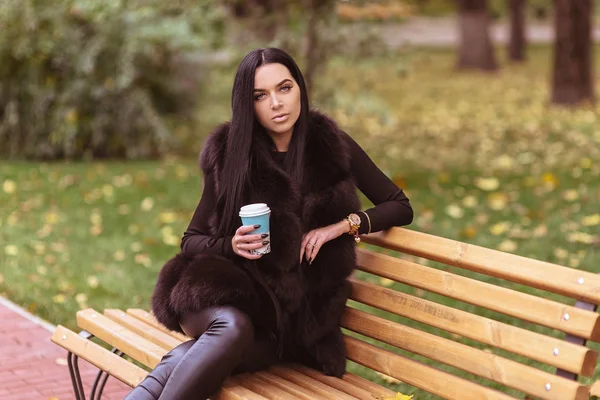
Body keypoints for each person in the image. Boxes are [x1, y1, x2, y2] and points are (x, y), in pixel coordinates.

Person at [125, 47, 413, 400]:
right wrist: (231, 244)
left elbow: (399, 205)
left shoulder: (330, 145)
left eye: (285, 88)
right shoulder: (232, 152)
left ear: (300, 89)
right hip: (219, 295)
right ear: (248, 105)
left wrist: (342, 226)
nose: (277, 103)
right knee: (232, 328)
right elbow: (192, 239)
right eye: (261, 95)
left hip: (283, 330)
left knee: (202, 353)